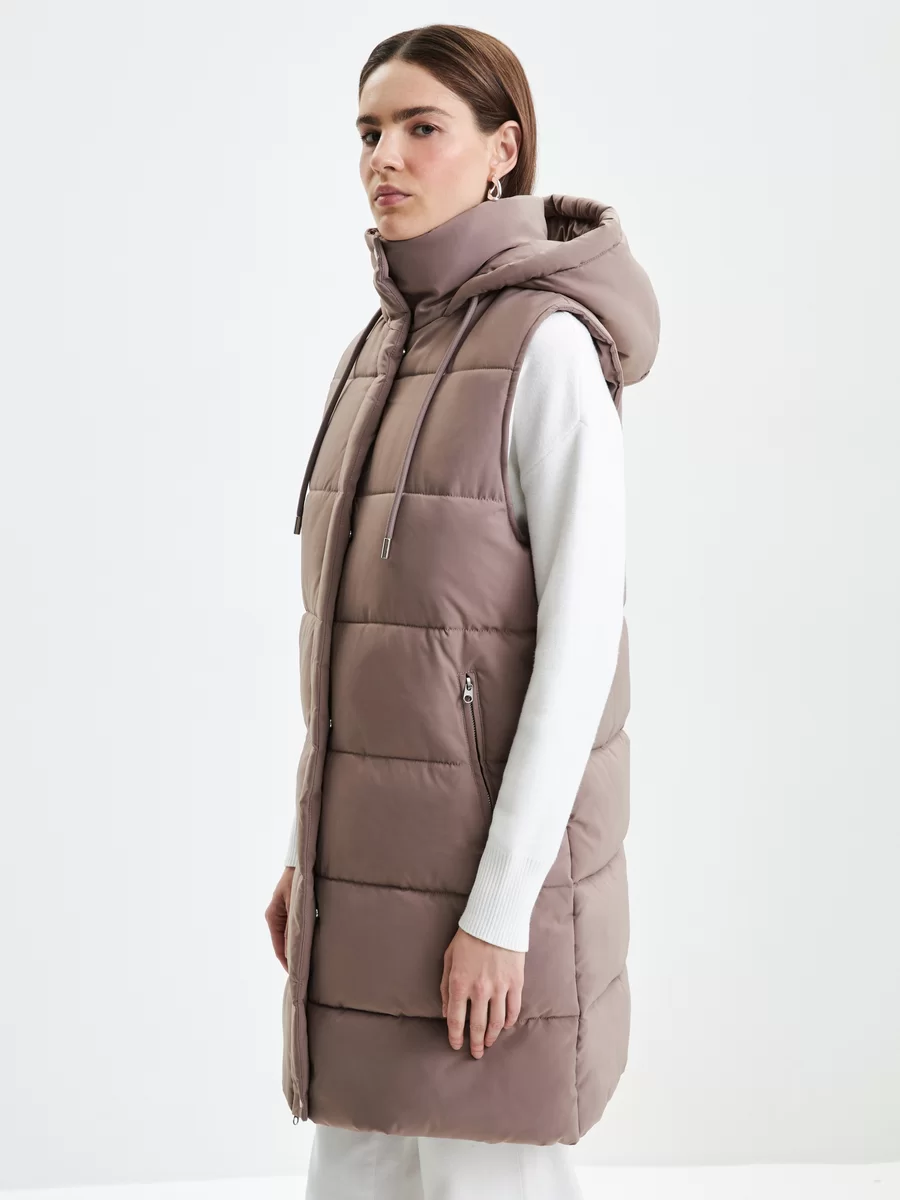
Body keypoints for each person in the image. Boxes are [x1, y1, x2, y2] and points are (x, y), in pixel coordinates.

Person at [264, 23, 660, 1200]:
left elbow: (578, 657)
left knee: (492, 1174)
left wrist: (499, 915)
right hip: (368, 887)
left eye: (421, 127)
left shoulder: (548, 350)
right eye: (368, 131)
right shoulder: (379, 348)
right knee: (356, 1168)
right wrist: (307, 856)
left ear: (503, 150)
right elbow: (365, 659)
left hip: (485, 898)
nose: (383, 156)